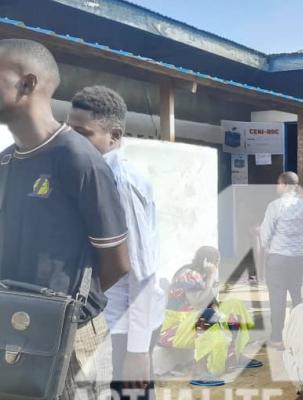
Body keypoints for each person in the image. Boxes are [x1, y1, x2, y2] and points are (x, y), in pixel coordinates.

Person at [0, 39, 131, 399]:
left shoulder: (78, 158)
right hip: (13, 330)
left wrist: (69, 316)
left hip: (73, 340)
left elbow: (117, 262)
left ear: (26, 84)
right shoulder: (6, 162)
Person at [67, 85, 162, 397]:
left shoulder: (119, 183)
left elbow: (142, 270)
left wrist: (138, 350)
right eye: (70, 130)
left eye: (84, 133)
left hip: (124, 326)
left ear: (114, 135)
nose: (73, 140)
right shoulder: (90, 176)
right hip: (105, 321)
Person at [157, 247, 254, 384]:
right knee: (208, 315)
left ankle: (236, 355)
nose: (217, 266)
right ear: (206, 261)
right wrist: (211, 277)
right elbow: (197, 303)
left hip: (192, 321)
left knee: (234, 305)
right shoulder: (188, 274)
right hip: (174, 327)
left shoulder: (204, 275)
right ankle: (200, 370)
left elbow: (211, 303)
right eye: (215, 262)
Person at [259, 171, 303, 349]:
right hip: (298, 259)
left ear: (284, 185)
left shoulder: (275, 206)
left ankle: (276, 339)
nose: (277, 187)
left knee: (277, 299)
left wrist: (267, 246)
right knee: (298, 298)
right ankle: (299, 338)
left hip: (278, 259)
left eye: (278, 184)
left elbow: (265, 233)